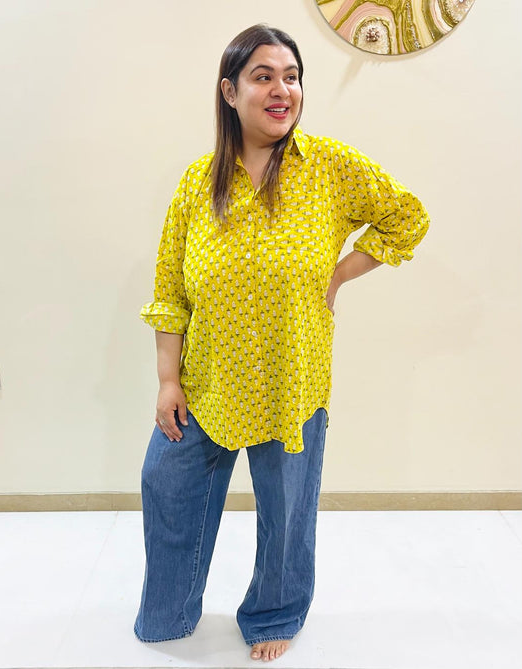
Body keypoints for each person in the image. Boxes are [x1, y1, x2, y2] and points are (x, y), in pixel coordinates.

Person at [133, 24, 429, 663]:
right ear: (229, 91)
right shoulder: (197, 182)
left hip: (291, 381)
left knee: (287, 512)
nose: (281, 90)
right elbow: (169, 291)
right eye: (263, 76)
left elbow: (407, 216)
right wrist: (168, 380)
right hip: (206, 382)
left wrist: (339, 274)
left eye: (291, 77)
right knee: (166, 487)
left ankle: (276, 612)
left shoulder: (328, 166)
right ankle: (169, 611)